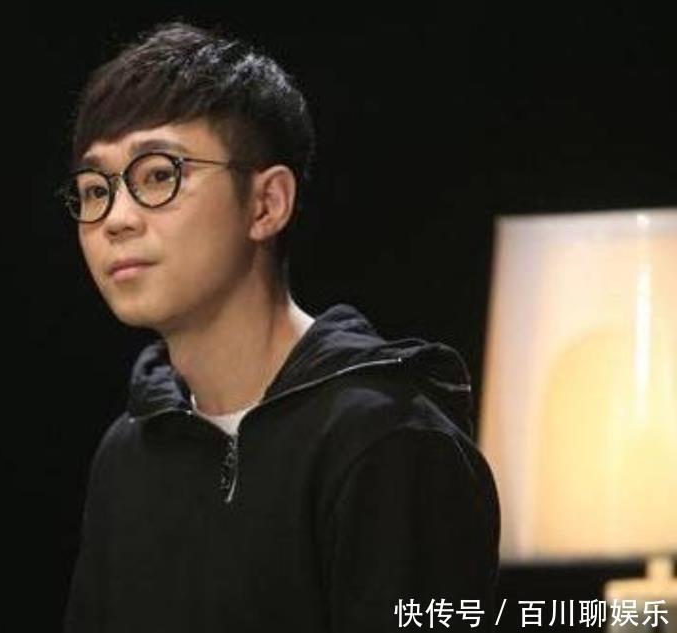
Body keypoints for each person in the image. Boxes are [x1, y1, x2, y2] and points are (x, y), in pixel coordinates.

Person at [59, 20, 500, 633]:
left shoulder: (387, 440)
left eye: (158, 175)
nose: (116, 218)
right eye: (93, 189)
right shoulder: (129, 453)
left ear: (267, 203)